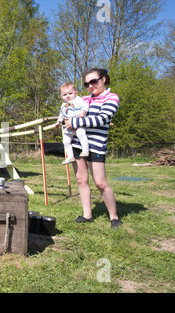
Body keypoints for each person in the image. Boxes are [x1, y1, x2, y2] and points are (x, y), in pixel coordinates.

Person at [64, 68, 122, 228]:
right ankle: (87, 215)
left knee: (100, 183)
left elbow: (102, 119)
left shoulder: (112, 98)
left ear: (103, 79)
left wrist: (74, 123)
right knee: (81, 180)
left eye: (93, 81)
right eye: (87, 83)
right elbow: (67, 109)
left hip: (96, 145)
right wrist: (63, 120)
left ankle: (114, 217)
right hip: (77, 144)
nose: (90, 86)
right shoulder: (83, 99)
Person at [55, 82, 90, 164]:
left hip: (78, 123)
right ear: (61, 97)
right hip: (68, 127)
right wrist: (58, 121)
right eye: (65, 95)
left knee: (81, 133)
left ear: (75, 93)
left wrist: (83, 111)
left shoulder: (78, 100)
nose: (68, 96)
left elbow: (86, 105)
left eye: (70, 93)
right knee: (66, 141)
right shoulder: (63, 105)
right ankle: (70, 156)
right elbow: (62, 114)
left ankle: (85, 150)